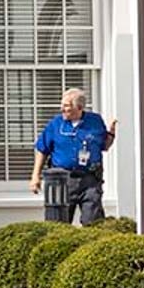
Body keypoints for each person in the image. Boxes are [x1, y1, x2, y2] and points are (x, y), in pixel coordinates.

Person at [28, 87, 117, 225]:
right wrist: (35, 176)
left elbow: (104, 146)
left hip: (90, 179)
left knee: (93, 221)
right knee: (59, 223)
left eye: (67, 106)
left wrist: (111, 135)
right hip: (63, 179)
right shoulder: (56, 124)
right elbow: (42, 149)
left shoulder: (95, 121)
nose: (62, 109)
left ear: (80, 107)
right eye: (62, 105)